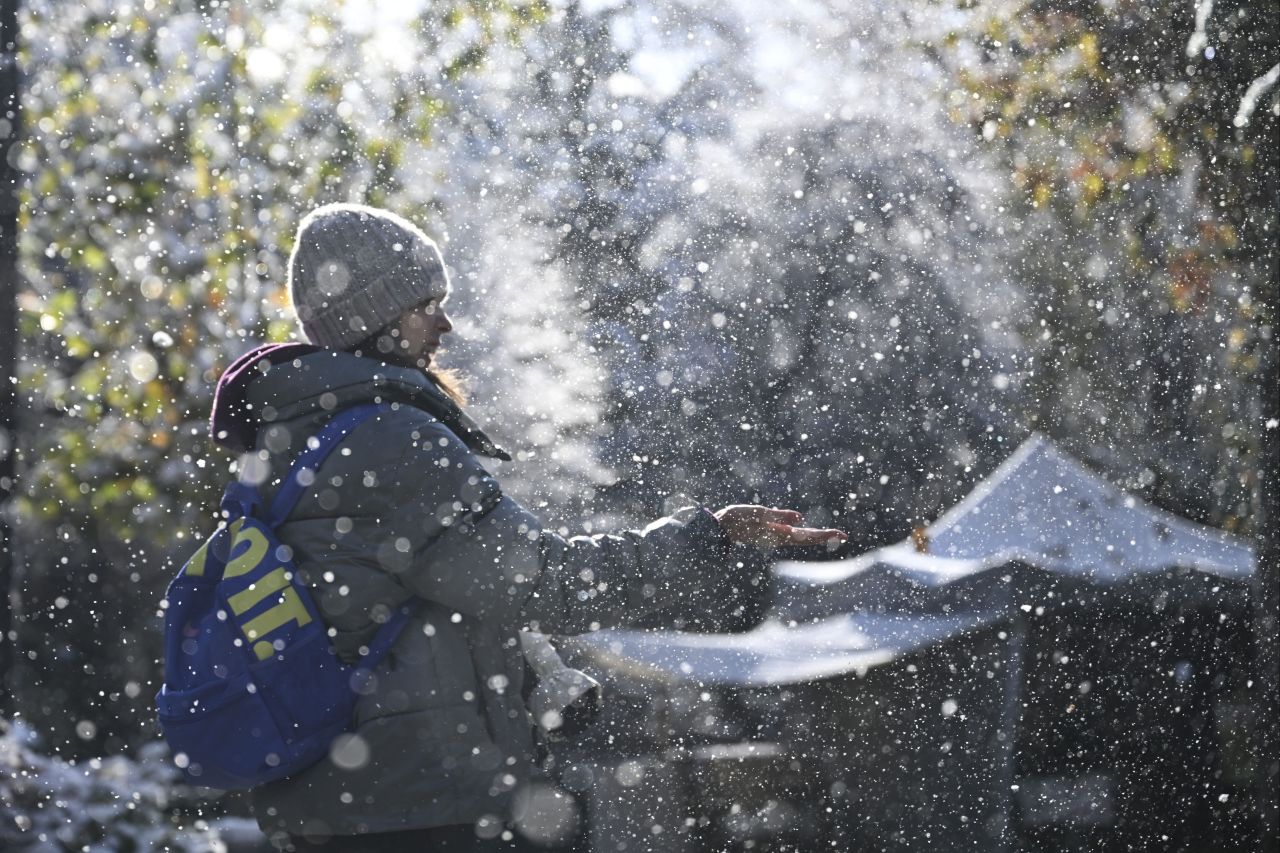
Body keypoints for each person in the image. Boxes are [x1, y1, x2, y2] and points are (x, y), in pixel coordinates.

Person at [207, 203, 846, 852]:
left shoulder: (294, 442)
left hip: (346, 796)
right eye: (427, 303)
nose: (445, 323)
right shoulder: (387, 439)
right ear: (378, 317)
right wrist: (708, 536)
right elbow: (542, 579)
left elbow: (440, 597)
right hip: (425, 807)